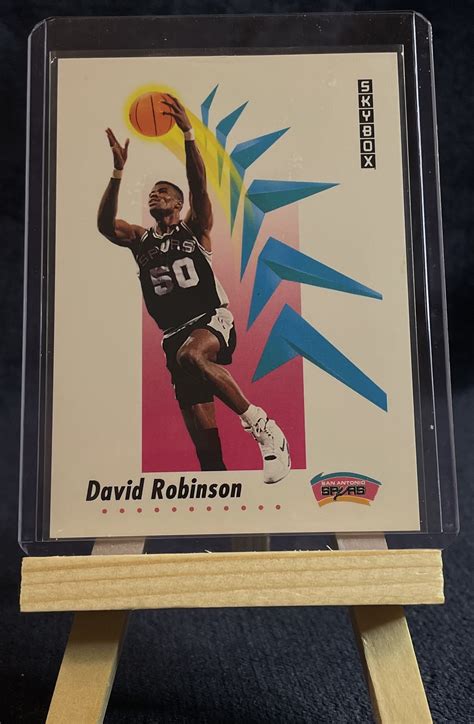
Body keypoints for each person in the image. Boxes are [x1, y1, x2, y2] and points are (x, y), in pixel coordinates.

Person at [97, 93, 290, 483]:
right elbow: (105, 226)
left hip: (210, 320)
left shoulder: (194, 228)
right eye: (152, 192)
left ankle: (262, 426)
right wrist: (117, 172)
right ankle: (220, 488)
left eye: (163, 192)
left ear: (178, 203)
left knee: (192, 354)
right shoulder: (140, 240)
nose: (154, 194)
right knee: (206, 454)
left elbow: (199, 184)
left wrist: (188, 135)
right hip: (172, 337)